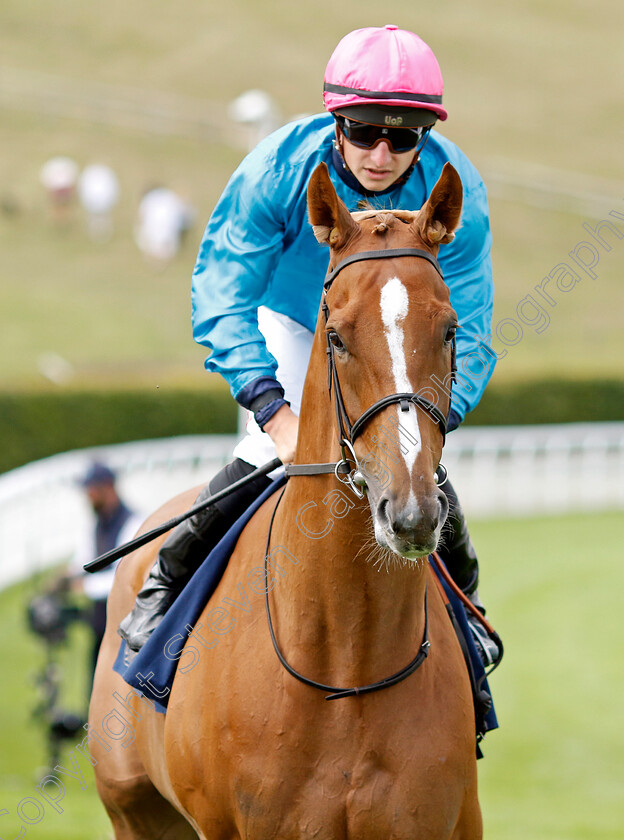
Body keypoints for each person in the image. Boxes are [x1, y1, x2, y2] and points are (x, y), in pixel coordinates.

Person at [119, 25, 499, 665]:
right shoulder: (278, 169)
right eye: (363, 132)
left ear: (424, 137)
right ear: (336, 122)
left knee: (419, 467)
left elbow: (471, 324)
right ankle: (163, 590)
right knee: (266, 450)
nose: (380, 154)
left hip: (391, 340)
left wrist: (434, 419)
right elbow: (222, 290)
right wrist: (273, 410)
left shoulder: (457, 190)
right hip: (296, 323)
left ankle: (468, 626)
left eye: (402, 137)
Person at [72, 462, 142, 684]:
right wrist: (66, 578)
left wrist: (85, 587)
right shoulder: (96, 524)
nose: (87, 496)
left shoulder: (133, 523)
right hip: (100, 629)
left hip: (125, 633)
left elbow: (124, 575)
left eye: (90, 490)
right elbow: (84, 561)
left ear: (107, 488)